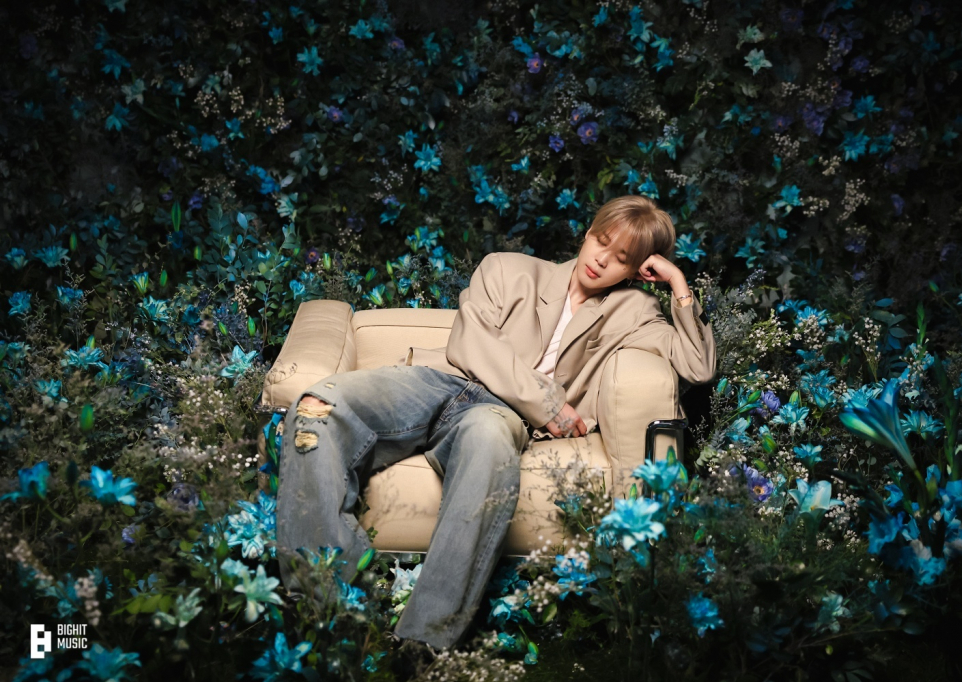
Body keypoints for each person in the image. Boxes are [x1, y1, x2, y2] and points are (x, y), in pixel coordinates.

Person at [275, 194, 716, 650]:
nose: (602, 259)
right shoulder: (508, 269)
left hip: (501, 415)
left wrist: (677, 284)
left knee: (487, 442)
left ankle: (425, 642)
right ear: (588, 233)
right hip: (438, 380)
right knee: (318, 405)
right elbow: (470, 342)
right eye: (602, 241)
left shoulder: (635, 311)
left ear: (638, 270)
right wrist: (548, 403)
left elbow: (698, 367)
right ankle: (327, 606)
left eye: (622, 258)